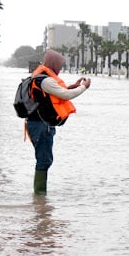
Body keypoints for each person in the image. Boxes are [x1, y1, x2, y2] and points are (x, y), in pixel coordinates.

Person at [26, 50, 91, 194]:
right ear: (54, 63)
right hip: (41, 125)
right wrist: (83, 88)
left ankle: (39, 202)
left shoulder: (40, 78)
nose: (60, 68)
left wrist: (73, 86)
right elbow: (65, 95)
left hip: (37, 123)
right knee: (44, 160)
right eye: (60, 65)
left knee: (44, 159)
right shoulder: (45, 80)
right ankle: (40, 199)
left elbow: (55, 93)